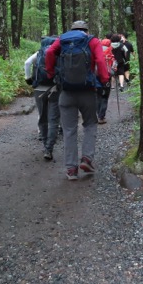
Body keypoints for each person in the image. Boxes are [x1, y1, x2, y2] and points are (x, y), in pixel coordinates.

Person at [45, 20, 110, 180]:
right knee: (90, 124)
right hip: (87, 91)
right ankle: (87, 158)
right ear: (86, 30)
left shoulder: (62, 40)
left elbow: (48, 53)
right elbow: (101, 61)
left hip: (66, 91)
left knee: (69, 130)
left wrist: (51, 73)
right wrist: (104, 79)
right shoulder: (92, 41)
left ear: (72, 29)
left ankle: (71, 169)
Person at [24, 36, 60, 160]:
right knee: (54, 120)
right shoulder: (58, 53)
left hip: (39, 88)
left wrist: (28, 79)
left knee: (42, 117)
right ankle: (49, 149)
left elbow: (27, 63)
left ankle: (45, 145)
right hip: (55, 89)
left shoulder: (39, 53)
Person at [96, 38, 116, 124]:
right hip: (107, 77)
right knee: (105, 97)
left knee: (98, 96)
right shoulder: (111, 53)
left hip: (96, 76)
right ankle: (101, 116)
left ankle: (97, 114)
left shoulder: (97, 51)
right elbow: (115, 66)